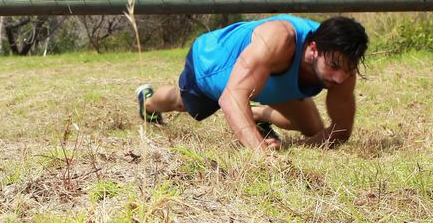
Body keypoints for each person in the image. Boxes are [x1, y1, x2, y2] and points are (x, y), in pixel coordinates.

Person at [135, 15, 367, 153]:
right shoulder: (278, 38)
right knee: (180, 102)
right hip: (214, 64)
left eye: (346, 71)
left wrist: (291, 150)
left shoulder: (343, 65)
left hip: (267, 80)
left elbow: (340, 131)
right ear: (314, 49)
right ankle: (148, 103)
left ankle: (256, 116)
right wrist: (260, 152)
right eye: (334, 66)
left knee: (312, 129)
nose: (338, 78)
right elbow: (231, 97)